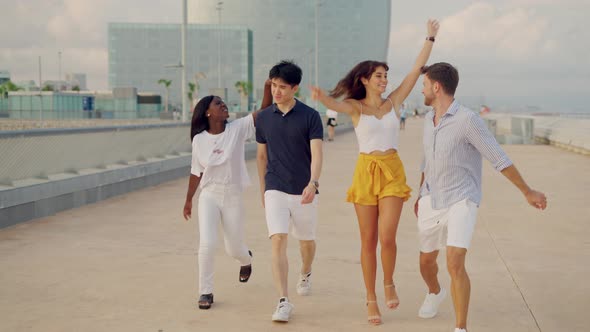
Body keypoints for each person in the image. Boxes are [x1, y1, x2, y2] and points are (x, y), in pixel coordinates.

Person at [310, 19, 440, 325]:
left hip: (392, 170)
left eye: (385, 76)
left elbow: (414, 71)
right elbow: (333, 104)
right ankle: (371, 298)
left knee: (388, 236)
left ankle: (389, 282)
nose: (384, 80)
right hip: (365, 172)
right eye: (379, 76)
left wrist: (430, 39)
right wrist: (321, 98)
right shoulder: (355, 107)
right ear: (365, 79)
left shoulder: (394, 102)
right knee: (367, 240)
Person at [414, 62, 547, 332]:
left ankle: (461, 328)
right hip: (431, 199)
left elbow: (498, 158)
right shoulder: (428, 120)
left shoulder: (468, 120)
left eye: (424, 85)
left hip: (462, 198)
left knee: (454, 262)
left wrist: (527, 190)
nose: (422, 91)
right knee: (426, 263)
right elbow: (426, 161)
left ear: (436, 87)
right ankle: (434, 291)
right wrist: (420, 194)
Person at [182, 80, 272, 310]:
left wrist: (267, 90)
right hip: (209, 195)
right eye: (218, 103)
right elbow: (196, 171)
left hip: (232, 195)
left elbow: (262, 114)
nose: (224, 105)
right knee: (207, 244)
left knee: (234, 248)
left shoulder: (237, 129)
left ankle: (246, 260)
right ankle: (206, 291)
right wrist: (189, 199)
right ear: (207, 112)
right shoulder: (199, 139)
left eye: (223, 103)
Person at [256, 60, 323, 322]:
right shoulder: (263, 118)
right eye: (274, 85)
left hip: (304, 189)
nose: (277, 91)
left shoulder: (310, 116)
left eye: (283, 87)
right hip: (275, 188)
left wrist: (313, 183)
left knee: (306, 242)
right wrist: (263, 190)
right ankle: (283, 300)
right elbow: (261, 157)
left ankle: (305, 271)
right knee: (278, 240)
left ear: (295, 88)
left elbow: (317, 153)